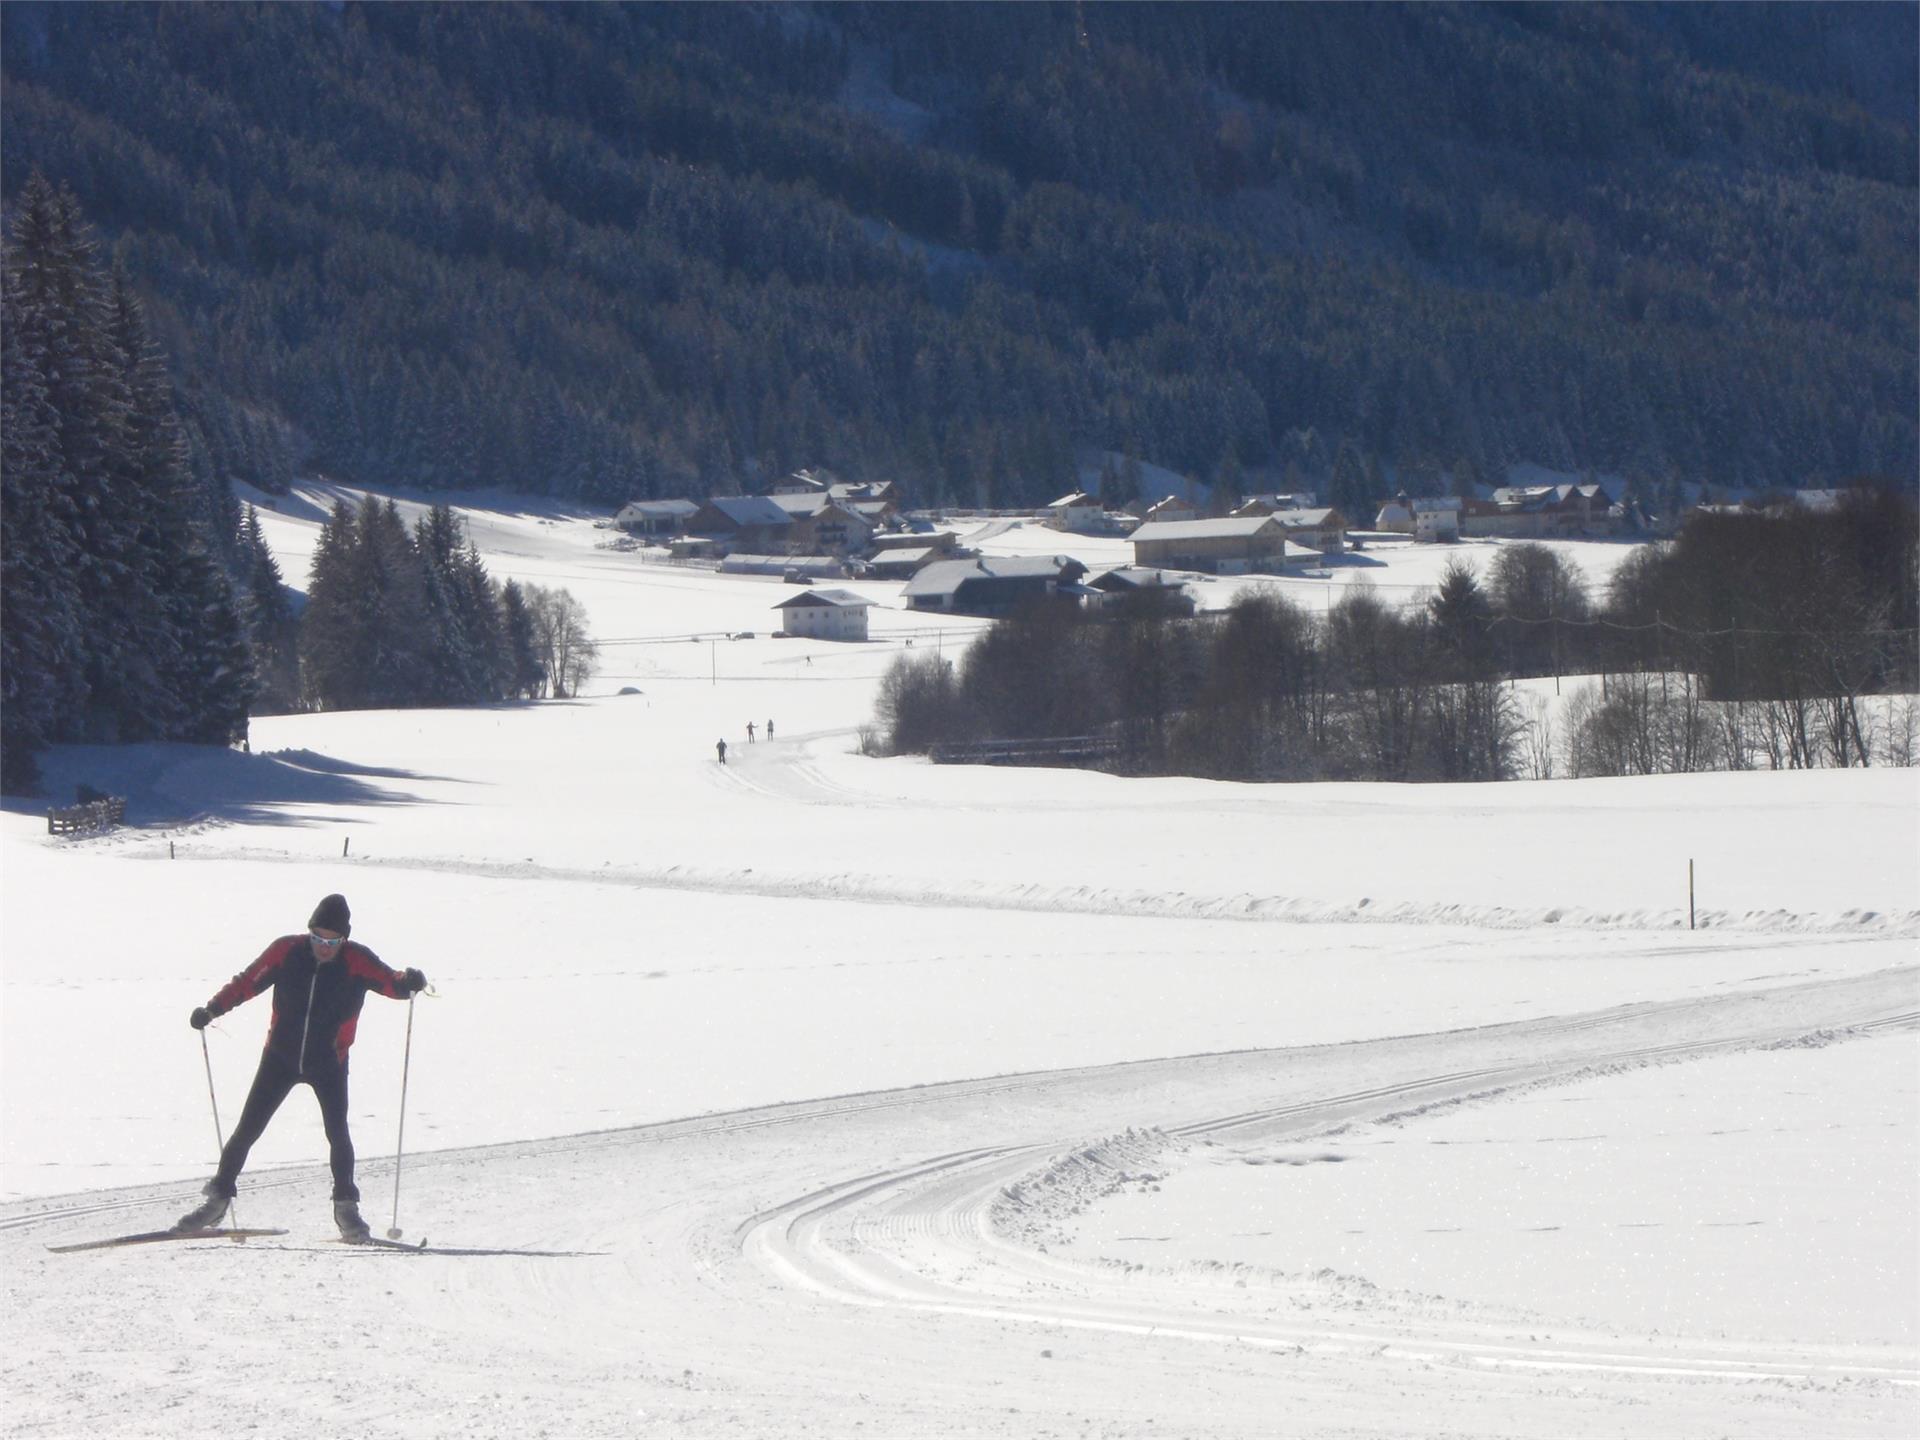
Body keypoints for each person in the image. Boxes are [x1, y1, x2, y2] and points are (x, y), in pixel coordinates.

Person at [176, 894, 425, 1240]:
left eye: (332, 940)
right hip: (280, 1057)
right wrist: (213, 1009)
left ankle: (346, 1209)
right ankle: (217, 1200)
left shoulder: (356, 960)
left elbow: (390, 982)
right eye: (318, 938)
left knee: (338, 1134)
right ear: (309, 933)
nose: (324, 946)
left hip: (330, 1061)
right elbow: (248, 982)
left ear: (344, 939)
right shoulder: (287, 952)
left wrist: (409, 981)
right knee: (248, 1129)